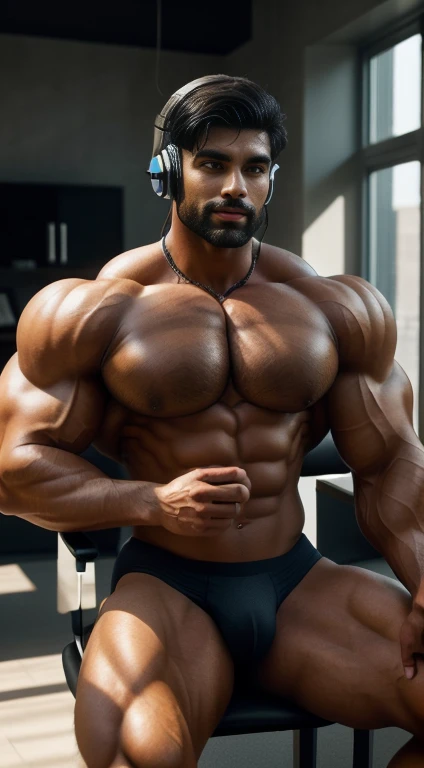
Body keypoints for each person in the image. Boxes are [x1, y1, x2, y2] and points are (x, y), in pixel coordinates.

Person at [0, 74, 423, 768]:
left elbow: (390, 462)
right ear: (169, 172)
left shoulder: (333, 307)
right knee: (138, 754)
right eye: (213, 164)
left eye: (254, 167)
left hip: (298, 585)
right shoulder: (95, 309)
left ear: (271, 179)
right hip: (169, 586)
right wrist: (152, 501)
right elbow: (13, 473)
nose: (236, 187)